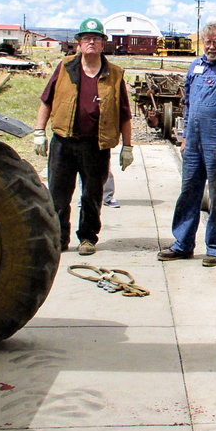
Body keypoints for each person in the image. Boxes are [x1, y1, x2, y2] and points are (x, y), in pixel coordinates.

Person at [34, 17, 133, 256]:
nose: (91, 42)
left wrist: (127, 147)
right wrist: (39, 132)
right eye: (87, 38)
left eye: (96, 39)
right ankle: (59, 239)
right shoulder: (65, 67)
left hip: (96, 146)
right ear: (79, 43)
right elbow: (46, 102)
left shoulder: (115, 74)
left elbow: (124, 114)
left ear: (102, 44)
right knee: (58, 195)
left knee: (92, 195)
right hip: (63, 143)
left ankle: (88, 238)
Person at [158, 21, 216, 267]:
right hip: (194, 141)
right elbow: (188, 103)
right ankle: (182, 244)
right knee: (188, 192)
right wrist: (186, 135)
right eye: (207, 42)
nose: (211, 46)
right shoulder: (196, 66)